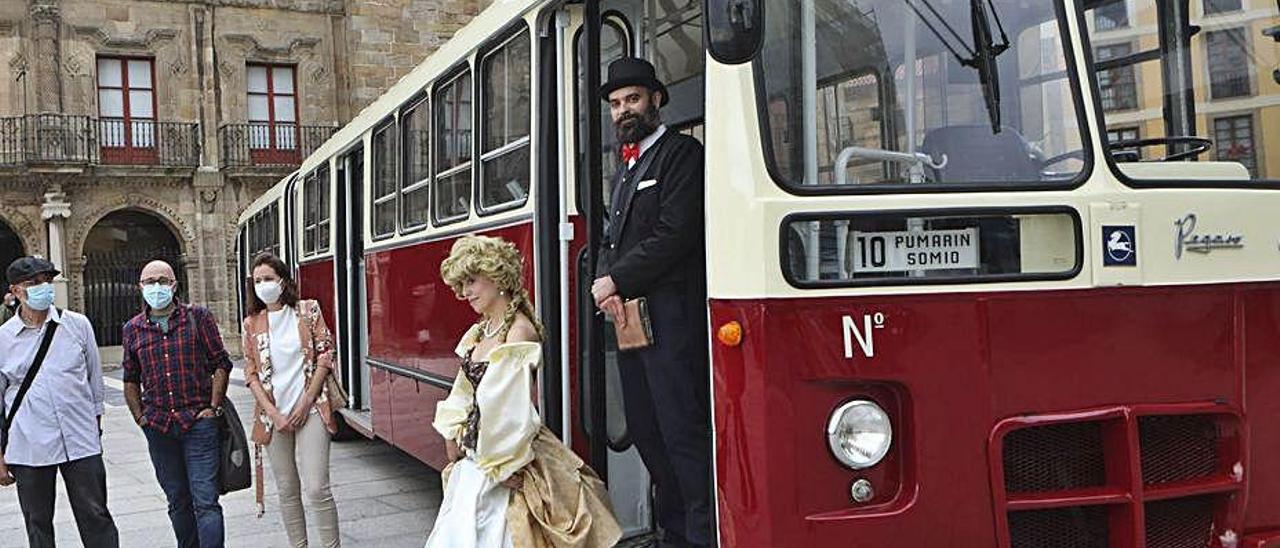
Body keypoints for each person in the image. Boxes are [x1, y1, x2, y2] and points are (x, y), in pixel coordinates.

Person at [427, 235, 621, 548]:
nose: (465, 293)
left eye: (471, 281)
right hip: (477, 460)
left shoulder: (519, 330)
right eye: (461, 284)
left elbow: (507, 408)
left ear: (496, 276)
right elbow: (463, 391)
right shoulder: (480, 330)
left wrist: (500, 466)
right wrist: (451, 434)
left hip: (506, 457)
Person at [592, 57, 712, 548]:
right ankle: (674, 530)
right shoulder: (627, 167)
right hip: (631, 321)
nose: (624, 111)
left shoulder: (681, 155)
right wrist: (605, 283)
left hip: (674, 320)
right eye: (616, 104)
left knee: (682, 432)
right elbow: (610, 237)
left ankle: (702, 535)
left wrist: (615, 278)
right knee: (646, 429)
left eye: (633, 100)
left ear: (656, 100)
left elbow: (674, 235)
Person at [0, 257, 118, 548]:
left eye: (46, 281)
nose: (43, 288)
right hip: (29, 445)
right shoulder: (3, 339)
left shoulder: (77, 325)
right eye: (33, 283)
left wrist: (94, 428)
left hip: (81, 442)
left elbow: (94, 383)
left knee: (96, 516)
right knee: (38, 523)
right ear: (16, 291)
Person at [122, 260, 232, 548]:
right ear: (140, 287)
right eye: (149, 281)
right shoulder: (133, 329)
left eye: (162, 280)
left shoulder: (198, 317)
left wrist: (213, 408)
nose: (156, 287)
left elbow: (221, 363)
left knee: (206, 501)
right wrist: (139, 417)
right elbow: (130, 378)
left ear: (174, 284)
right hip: (158, 426)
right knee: (177, 501)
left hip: (198, 422)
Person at [241, 252, 341, 547]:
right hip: (274, 417)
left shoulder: (308, 311)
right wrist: (273, 413)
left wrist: (307, 400)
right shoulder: (251, 324)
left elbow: (326, 352)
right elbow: (251, 373)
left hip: (311, 410)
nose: (263, 285)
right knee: (286, 488)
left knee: (317, 488)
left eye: (269, 279)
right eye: (258, 281)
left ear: (283, 281)